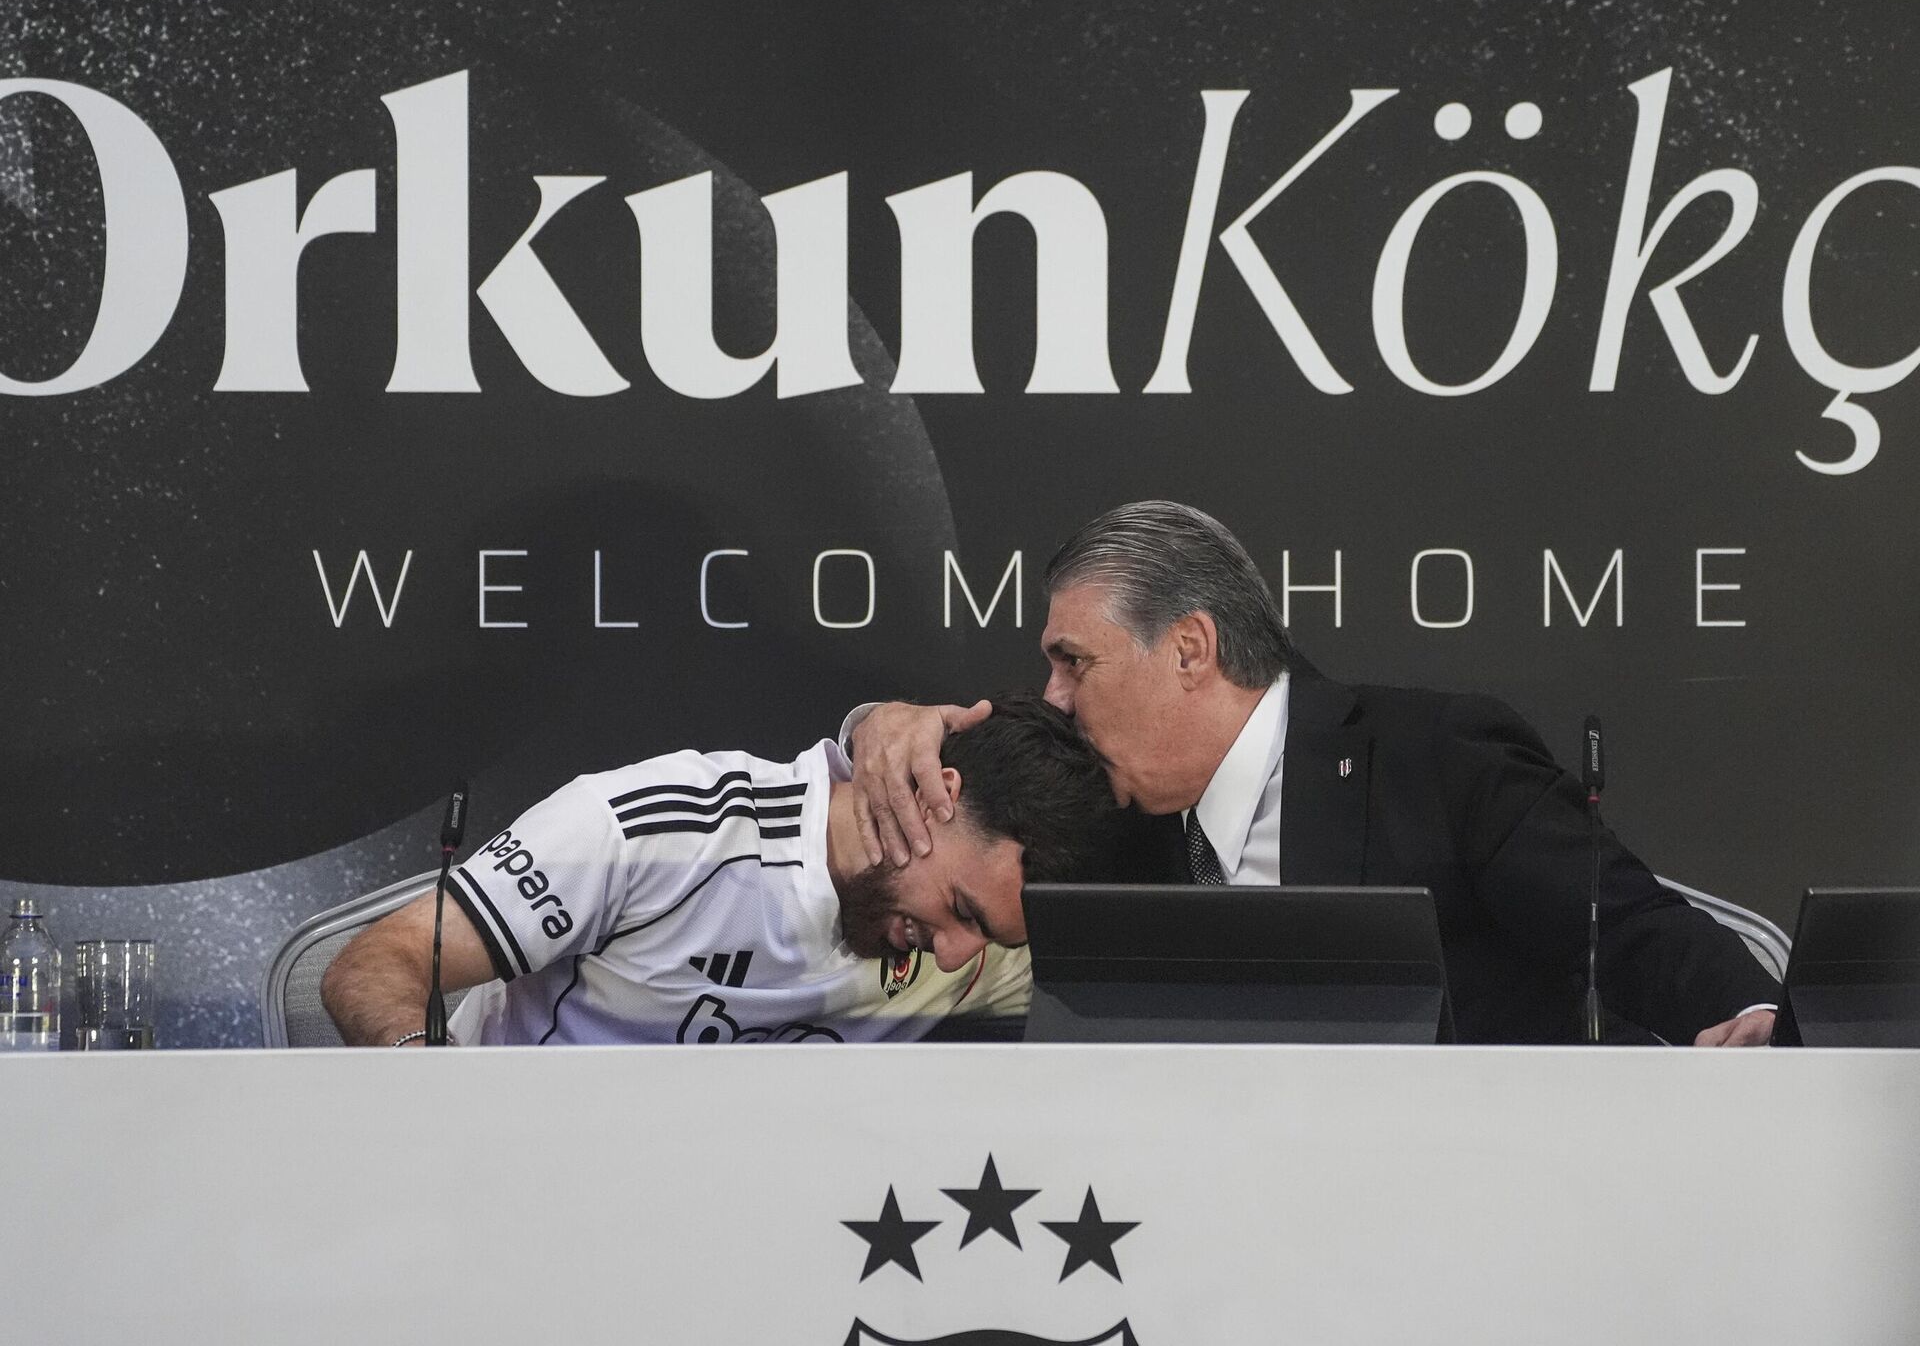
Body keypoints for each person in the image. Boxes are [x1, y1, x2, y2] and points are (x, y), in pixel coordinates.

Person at [847, 502, 1780, 1047]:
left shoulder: (1432, 759)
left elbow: (1628, 927)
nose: (1054, 696)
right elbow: (942, 868)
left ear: (1190, 649)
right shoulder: (1108, 823)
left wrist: (1752, 1018)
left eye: (1073, 661)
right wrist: (872, 727)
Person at [321, 693, 1115, 1047]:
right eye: (963, 911)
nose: (957, 956)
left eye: (990, 937)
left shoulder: (970, 948)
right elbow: (374, 965)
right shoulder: (659, 828)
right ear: (933, 794)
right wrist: (438, 1102)